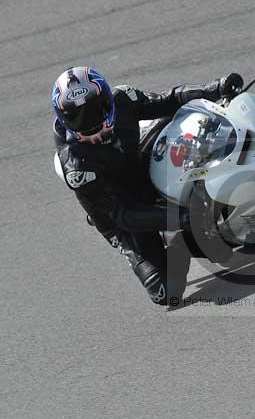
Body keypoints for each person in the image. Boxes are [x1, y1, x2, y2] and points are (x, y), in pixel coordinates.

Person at [51, 66, 243, 305]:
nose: (91, 126)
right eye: (77, 118)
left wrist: (215, 88)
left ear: (108, 101)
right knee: (166, 293)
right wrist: (183, 218)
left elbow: (169, 100)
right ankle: (181, 243)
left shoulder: (122, 99)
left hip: (141, 165)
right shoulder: (76, 165)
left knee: (187, 121)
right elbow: (124, 215)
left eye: (95, 112)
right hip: (124, 217)